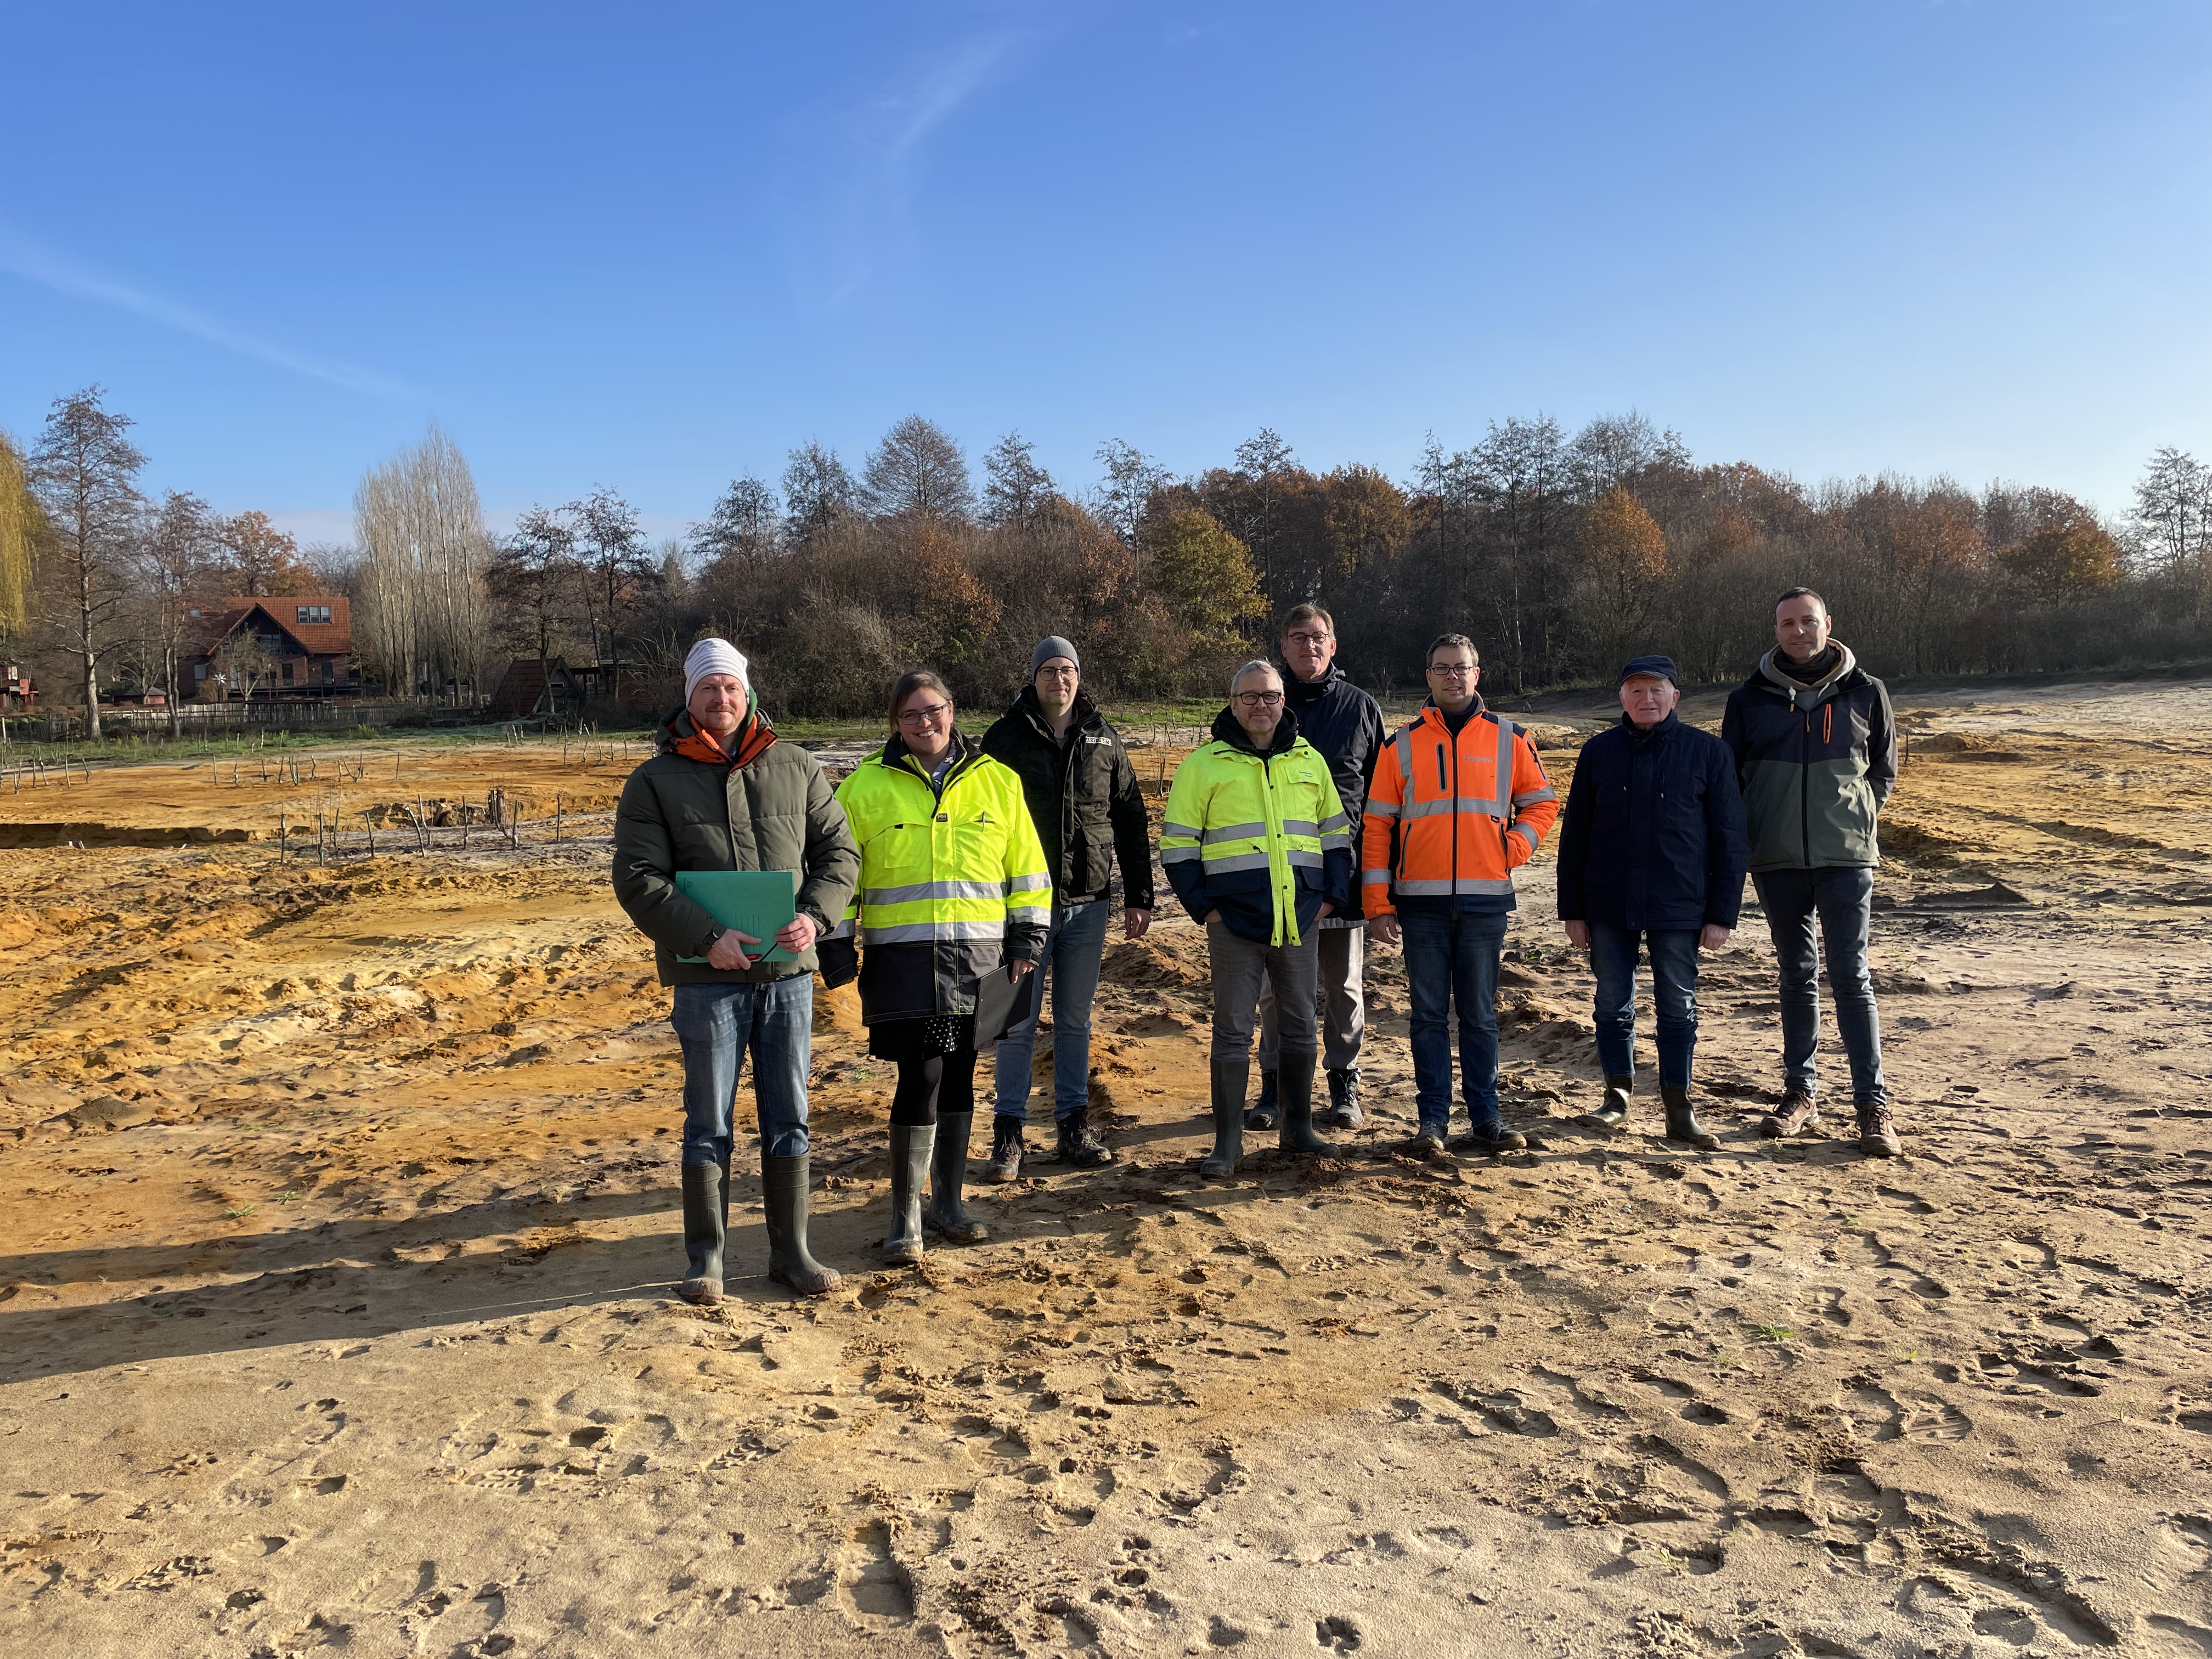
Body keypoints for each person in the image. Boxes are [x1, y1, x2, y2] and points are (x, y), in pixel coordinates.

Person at [612, 637, 860, 1305]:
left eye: (731, 688)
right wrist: (707, 936)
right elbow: (637, 878)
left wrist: (817, 916)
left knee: (790, 1115)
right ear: (688, 698)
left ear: (747, 693)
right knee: (708, 1122)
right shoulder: (653, 782)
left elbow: (840, 852)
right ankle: (708, 1260)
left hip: (786, 978)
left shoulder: (798, 766)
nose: (721, 700)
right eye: (707, 689)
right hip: (707, 980)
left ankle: (794, 1254)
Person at [831, 670, 1052, 1263]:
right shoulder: (864, 788)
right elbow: (840, 872)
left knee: (958, 1078)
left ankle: (948, 1204)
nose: (925, 724)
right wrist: (835, 937)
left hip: (979, 962)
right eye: (911, 716)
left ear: (952, 711)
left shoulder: (997, 782)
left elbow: (1027, 868)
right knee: (919, 1077)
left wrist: (1028, 938)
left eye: (934, 711)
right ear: (895, 724)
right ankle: (906, 1217)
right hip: (903, 962)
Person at [1363, 634, 1560, 1159]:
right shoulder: (1399, 745)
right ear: (1428, 676)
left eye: (1462, 668)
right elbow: (1378, 826)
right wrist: (1377, 904)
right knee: (1427, 1016)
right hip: (1419, 905)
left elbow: (1543, 805)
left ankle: (1486, 1119)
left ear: (1478, 673)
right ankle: (1432, 1123)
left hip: (1484, 902)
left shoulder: (1511, 739)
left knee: (1478, 1015)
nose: (1453, 677)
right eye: (1443, 669)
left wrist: (1511, 848)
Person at [1721, 589, 1902, 1156]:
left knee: (1853, 977)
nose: (1798, 632)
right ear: (1775, 630)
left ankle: (1873, 1108)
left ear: (1829, 624)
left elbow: (1883, 773)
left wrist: (1856, 819)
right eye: (1787, 624)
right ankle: (1800, 1095)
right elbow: (1732, 779)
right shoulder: (1748, 699)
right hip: (1774, 859)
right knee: (1796, 976)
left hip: (1847, 858)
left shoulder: (1867, 692)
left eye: (1808, 622)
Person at [1161, 660, 1353, 1177]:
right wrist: (1207, 909)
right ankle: (1227, 1144)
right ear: (1232, 703)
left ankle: (1299, 1128)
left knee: (1299, 1025)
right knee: (1232, 1031)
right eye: (1249, 697)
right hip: (1234, 924)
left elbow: (1336, 837)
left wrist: (1330, 898)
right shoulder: (1204, 765)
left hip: (1300, 919)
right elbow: (1178, 846)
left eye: (1269, 696)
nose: (1260, 706)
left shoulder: (1309, 761)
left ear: (1283, 701)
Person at [1554, 655, 1748, 1149]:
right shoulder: (1598, 752)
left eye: (1656, 690)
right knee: (1611, 1004)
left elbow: (1730, 840)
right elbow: (1574, 836)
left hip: (1680, 906)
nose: (1646, 699)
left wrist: (1722, 914)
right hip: (1607, 904)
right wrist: (1572, 910)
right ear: (1621, 698)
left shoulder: (1709, 753)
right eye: (1635, 691)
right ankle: (1616, 1097)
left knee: (1678, 1008)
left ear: (1675, 696)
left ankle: (1678, 1107)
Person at [979, 636, 1155, 1180]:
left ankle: (1073, 1127)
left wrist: (1140, 896)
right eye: (1050, 670)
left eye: (1068, 670)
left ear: (1079, 677)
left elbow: (1129, 817)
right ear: (1033, 678)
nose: (1059, 679)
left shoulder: (1104, 739)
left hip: (1089, 904)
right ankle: (1008, 1135)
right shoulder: (1004, 738)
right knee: (1015, 1022)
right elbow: (979, 823)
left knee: (1076, 1020)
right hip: (1020, 909)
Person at [1251, 603, 1385, 1132]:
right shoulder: (1263, 704)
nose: (1309, 646)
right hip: (1279, 876)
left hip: (1345, 874)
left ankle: (1344, 1084)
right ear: (1282, 646)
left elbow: (1382, 797)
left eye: (1318, 637)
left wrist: (1378, 877)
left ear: (1334, 646)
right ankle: (1273, 1089)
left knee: (1345, 987)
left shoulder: (1360, 708)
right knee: (1276, 991)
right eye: (1298, 637)